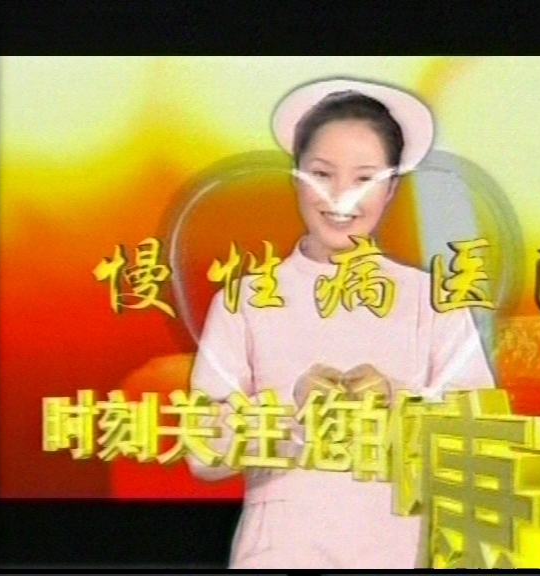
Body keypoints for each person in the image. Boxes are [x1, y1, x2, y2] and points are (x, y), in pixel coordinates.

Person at [185, 78, 496, 569]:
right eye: (322, 174)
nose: (341, 197)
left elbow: (481, 443)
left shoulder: (432, 301)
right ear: (296, 178)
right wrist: (291, 411)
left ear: (391, 188)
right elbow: (202, 451)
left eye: (364, 178)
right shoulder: (246, 299)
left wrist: (397, 400)